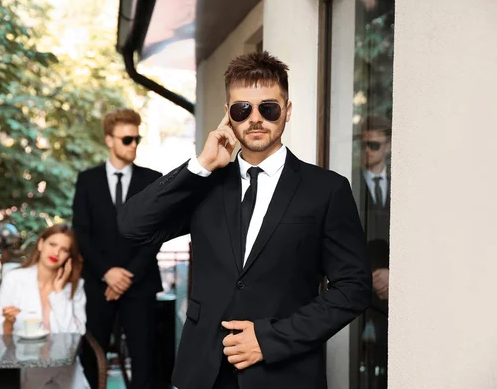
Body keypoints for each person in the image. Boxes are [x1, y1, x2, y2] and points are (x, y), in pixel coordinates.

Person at [118, 51, 371, 389]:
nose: (255, 119)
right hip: (204, 373)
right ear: (228, 115)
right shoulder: (204, 182)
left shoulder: (326, 190)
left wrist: (270, 339)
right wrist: (201, 165)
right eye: (242, 109)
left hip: (283, 373)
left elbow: (353, 288)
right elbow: (133, 225)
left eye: (268, 108)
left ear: (287, 111)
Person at [72, 108, 163, 389]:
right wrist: (108, 273)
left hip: (141, 281)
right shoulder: (87, 180)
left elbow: (155, 234)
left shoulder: (152, 179)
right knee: (92, 353)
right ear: (109, 140)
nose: (134, 144)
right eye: (127, 139)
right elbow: (81, 233)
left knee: (145, 357)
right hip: (100, 283)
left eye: (137, 138)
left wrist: (126, 276)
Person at [0, 224, 88, 388]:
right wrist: (8, 322)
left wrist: (59, 293)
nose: (56, 253)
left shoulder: (75, 287)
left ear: (69, 257)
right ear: (41, 244)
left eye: (64, 249)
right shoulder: (14, 279)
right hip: (29, 369)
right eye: (52, 244)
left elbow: (74, 338)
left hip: (66, 373)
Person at [353, 116, 392, 387]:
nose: (368, 151)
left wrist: (394, 274)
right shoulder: (349, 182)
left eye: (375, 145)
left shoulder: (405, 182)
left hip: (394, 292)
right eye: (364, 145)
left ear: (388, 146)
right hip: (361, 288)